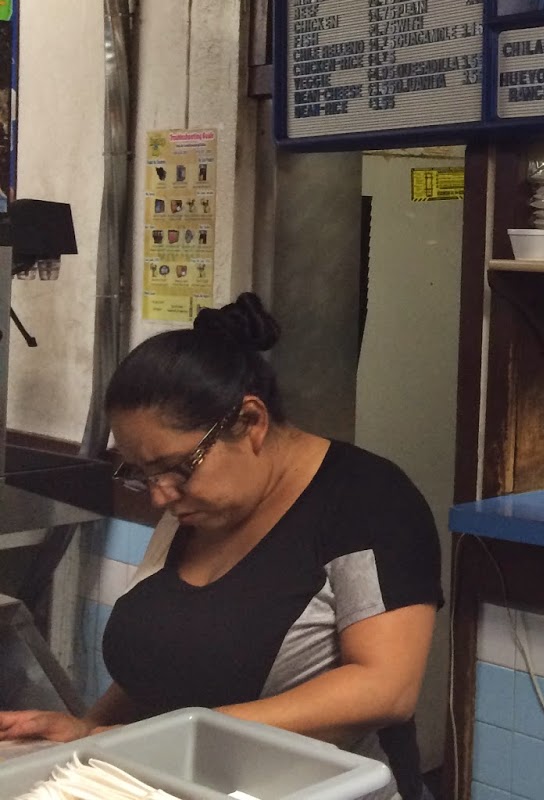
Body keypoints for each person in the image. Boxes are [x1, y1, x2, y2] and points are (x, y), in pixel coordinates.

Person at [0, 294, 442, 800]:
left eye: (175, 468)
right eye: (142, 474)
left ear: (250, 422)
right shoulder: (194, 507)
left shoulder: (368, 502)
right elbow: (164, 658)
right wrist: (89, 736)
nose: (161, 495)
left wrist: (144, 740)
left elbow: (384, 688)